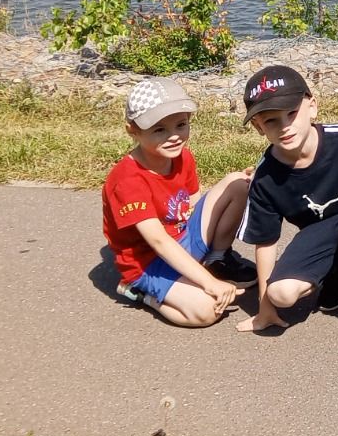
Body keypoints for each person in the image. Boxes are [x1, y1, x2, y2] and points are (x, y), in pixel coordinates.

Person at [234, 66, 338, 365]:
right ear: (259, 127)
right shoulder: (265, 177)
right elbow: (265, 242)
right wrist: (264, 305)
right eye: (272, 121)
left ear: (312, 106)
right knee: (282, 293)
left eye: (291, 113)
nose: (285, 126)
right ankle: (334, 277)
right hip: (322, 230)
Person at [101, 79, 256, 327]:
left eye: (181, 125)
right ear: (133, 130)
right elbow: (158, 242)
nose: (174, 136)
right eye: (159, 129)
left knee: (238, 182)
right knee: (207, 312)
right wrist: (208, 283)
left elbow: (192, 203)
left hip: (181, 237)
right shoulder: (127, 181)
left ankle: (217, 259)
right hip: (148, 262)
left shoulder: (181, 156)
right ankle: (140, 293)